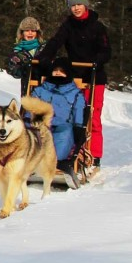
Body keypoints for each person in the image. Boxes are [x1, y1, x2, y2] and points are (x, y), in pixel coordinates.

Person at [37, 0, 111, 173]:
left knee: (92, 116)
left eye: (79, 4)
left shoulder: (97, 26)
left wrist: (97, 61)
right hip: (76, 77)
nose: (76, 8)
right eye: (73, 5)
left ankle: (94, 156)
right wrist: (44, 57)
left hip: (95, 77)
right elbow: (56, 42)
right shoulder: (68, 25)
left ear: (85, 5)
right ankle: (71, 153)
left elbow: (106, 51)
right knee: (72, 115)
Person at [32, 57, 86, 188]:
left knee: (64, 134)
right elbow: (31, 108)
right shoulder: (40, 90)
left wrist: (79, 129)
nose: (57, 73)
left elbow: (79, 112)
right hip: (42, 124)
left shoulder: (75, 93)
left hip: (63, 125)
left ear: (67, 73)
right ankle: (34, 162)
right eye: (55, 70)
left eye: (61, 71)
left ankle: (58, 162)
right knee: (36, 137)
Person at [7, 17, 45, 95]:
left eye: (33, 31)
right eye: (27, 30)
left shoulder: (44, 48)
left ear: (37, 33)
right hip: (27, 89)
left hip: (44, 89)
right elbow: (14, 73)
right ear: (22, 33)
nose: (30, 33)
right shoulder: (17, 51)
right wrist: (22, 66)